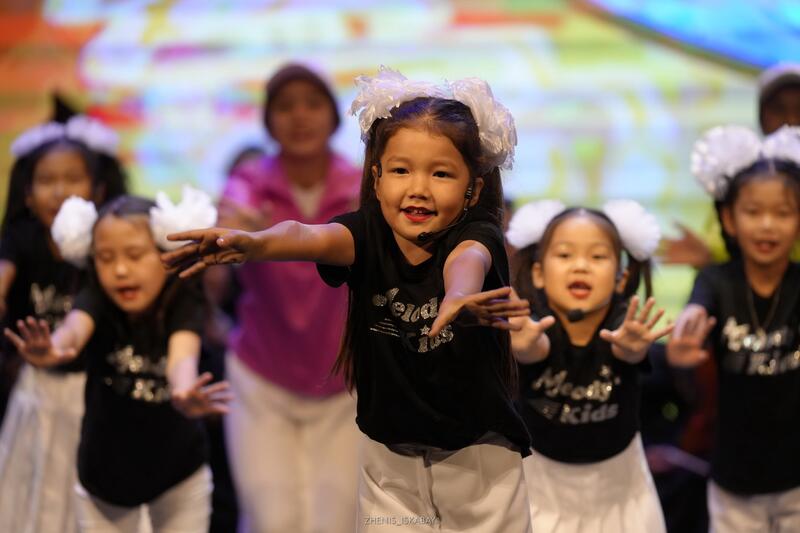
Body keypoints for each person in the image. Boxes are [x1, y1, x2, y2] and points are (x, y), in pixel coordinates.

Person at [163, 67, 534, 533]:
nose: (418, 188)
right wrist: (255, 244)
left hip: (476, 456)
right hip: (390, 456)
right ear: (376, 179)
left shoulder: (476, 235)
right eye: (401, 170)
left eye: (441, 173)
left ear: (473, 189)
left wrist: (459, 297)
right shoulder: (365, 232)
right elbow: (306, 236)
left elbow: (468, 260)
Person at [216, 63, 361, 533]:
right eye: (285, 106)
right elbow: (226, 225)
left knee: (337, 522)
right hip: (262, 379)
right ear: (268, 120)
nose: (300, 116)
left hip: (345, 383)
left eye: (312, 104)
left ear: (334, 116)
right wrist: (232, 232)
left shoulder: (362, 185)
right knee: (270, 519)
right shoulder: (248, 184)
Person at [506, 198, 669, 532]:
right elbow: (536, 348)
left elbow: (627, 351)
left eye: (597, 256)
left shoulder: (624, 327)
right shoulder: (532, 327)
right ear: (538, 272)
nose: (580, 266)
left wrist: (634, 349)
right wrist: (522, 348)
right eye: (565, 255)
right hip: (540, 485)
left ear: (621, 278)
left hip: (623, 490)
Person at [667, 125, 800, 532]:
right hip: (734, 471)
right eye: (753, 212)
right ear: (729, 218)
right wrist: (684, 337)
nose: (767, 225)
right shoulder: (716, 281)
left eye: (782, 213)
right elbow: (697, 308)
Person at [0, 115, 127, 533]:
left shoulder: (106, 245)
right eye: (46, 180)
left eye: (73, 178)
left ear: (99, 190)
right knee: (27, 484)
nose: (59, 191)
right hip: (36, 389)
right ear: (27, 193)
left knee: (80, 489)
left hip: (91, 391)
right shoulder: (21, 238)